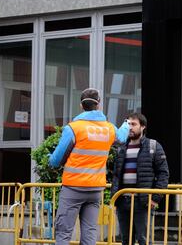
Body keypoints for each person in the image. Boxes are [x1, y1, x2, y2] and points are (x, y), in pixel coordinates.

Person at [48, 88, 129, 245]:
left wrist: (49, 158)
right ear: (98, 105)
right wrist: (126, 124)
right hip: (95, 189)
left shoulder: (74, 128)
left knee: (64, 232)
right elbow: (121, 138)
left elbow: (56, 160)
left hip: (73, 188)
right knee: (90, 232)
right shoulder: (109, 128)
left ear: (81, 106)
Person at [111, 113, 169, 245]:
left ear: (143, 127)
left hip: (143, 201)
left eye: (133, 124)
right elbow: (116, 174)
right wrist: (114, 197)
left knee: (143, 239)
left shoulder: (153, 146)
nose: (130, 127)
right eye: (128, 124)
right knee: (126, 240)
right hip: (122, 201)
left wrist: (155, 198)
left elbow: (163, 173)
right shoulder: (121, 147)